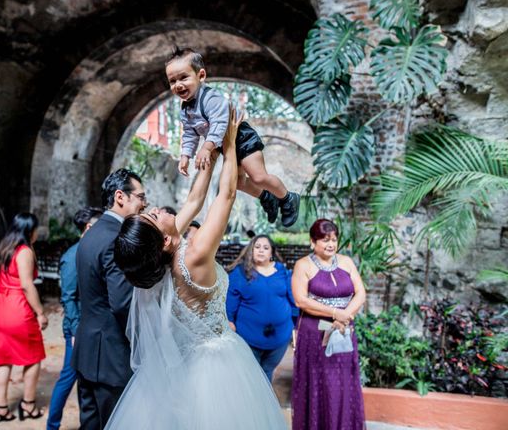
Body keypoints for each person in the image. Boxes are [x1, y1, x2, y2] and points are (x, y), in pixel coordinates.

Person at [108, 105, 287, 429]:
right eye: (153, 215)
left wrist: (212, 145)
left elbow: (195, 198)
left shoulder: (162, 262)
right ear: (163, 240)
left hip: (188, 364)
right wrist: (231, 143)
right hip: (220, 366)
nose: (158, 209)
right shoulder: (194, 254)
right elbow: (227, 194)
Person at [166, 46, 300, 227]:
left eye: (183, 77)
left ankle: (287, 198)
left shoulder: (210, 98)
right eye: (172, 81)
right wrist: (185, 155)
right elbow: (190, 133)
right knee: (238, 182)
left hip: (242, 138)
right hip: (224, 144)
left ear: (201, 75)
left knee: (258, 177)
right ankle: (266, 196)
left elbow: (220, 123)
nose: (178, 84)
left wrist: (207, 147)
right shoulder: (186, 108)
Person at [71, 168, 147, 430]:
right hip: (112, 357)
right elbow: (122, 304)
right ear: (120, 197)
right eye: (140, 196)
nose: (144, 203)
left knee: (90, 424)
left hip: (87, 350)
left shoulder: (90, 234)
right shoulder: (116, 239)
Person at [290, 219, 367, 430]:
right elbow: (301, 300)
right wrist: (334, 313)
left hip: (343, 330)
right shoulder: (303, 265)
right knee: (319, 382)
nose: (331, 244)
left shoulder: (346, 262)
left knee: (343, 382)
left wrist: (345, 316)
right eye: (325, 240)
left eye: (334, 239)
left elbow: (360, 292)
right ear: (313, 241)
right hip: (314, 334)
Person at [0, 212, 48, 425]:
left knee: (2, 358)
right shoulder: (24, 251)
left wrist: (6, 287)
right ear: (28, 230)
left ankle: (1, 408)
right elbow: (26, 284)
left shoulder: (4, 247)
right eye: (36, 228)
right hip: (18, 309)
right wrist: (40, 312)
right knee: (33, 357)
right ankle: (28, 405)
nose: (37, 232)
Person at [47, 206, 103, 430]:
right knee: (68, 377)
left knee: (85, 381)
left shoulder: (91, 250)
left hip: (89, 325)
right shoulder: (72, 256)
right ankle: (52, 425)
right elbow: (68, 298)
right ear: (89, 227)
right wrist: (74, 330)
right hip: (77, 326)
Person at [226, 234, 297, 382]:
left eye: (265, 248)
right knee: (249, 376)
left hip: (279, 337)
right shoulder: (239, 273)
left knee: (267, 372)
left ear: (272, 252)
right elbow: (230, 304)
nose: (261, 251)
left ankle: (265, 403)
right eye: (257, 247)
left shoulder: (282, 271)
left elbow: (292, 300)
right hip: (249, 337)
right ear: (250, 250)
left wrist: (295, 325)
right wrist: (229, 322)